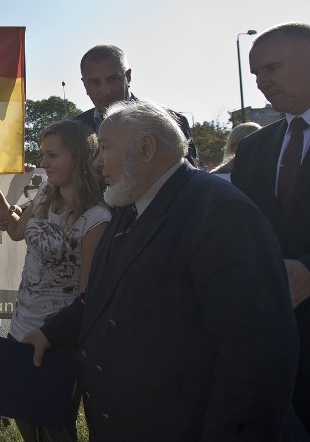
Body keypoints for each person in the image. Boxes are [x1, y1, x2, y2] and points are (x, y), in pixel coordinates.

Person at [23, 100, 298, 441]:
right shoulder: (129, 205)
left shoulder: (222, 214)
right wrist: (49, 334)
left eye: (105, 147)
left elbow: (254, 358)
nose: (96, 161)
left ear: (146, 148)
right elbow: (101, 295)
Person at [0, 120, 110, 441]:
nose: (43, 163)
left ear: (80, 158)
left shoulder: (97, 219)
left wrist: (50, 335)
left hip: (57, 343)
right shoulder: (44, 193)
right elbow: (15, 231)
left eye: (52, 156)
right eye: (43, 154)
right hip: (20, 329)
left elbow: (88, 297)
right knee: (23, 418)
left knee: (55, 428)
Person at [232, 22, 310, 438]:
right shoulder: (255, 148)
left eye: (273, 68)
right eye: (256, 72)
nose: (262, 82)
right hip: (273, 344)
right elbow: (239, 232)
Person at [72, 44, 198, 166]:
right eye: (95, 82)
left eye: (113, 79)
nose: (105, 91)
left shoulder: (170, 122)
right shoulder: (74, 130)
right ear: (85, 85)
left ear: (128, 77)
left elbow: (186, 182)